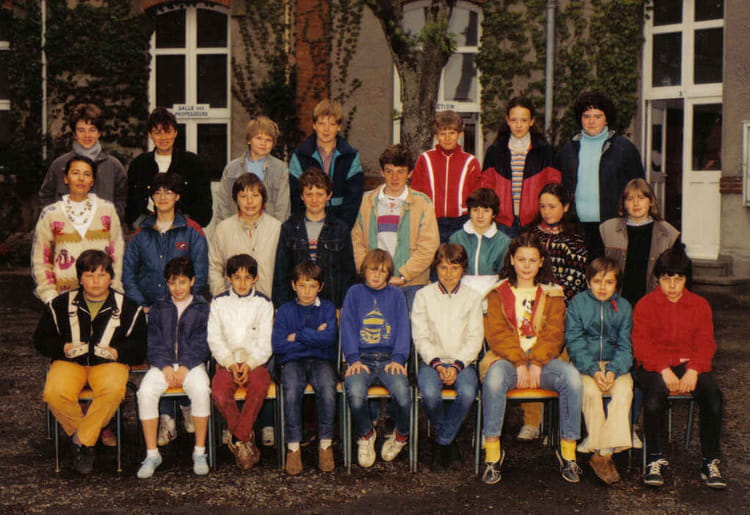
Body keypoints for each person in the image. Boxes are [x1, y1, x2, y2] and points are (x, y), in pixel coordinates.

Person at [480, 232, 583, 485]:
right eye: (522, 259)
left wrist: (536, 362)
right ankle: (492, 455)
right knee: (494, 380)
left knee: (571, 378)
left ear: (541, 262)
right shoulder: (497, 293)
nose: (526, 266)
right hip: (507, 359)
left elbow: (554, 333)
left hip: (543, 361)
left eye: (532, 260)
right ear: (512, 260)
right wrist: (519, 362)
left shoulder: (553, 294)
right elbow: (496, 334)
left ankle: (568, 452)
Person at [33, 249, 146, 474]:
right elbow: (40, 339)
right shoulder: (59, 305)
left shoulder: (130, 308)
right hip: (70, 363)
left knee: (113, 391)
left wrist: (118, 352)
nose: (96, 281)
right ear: (80, 278)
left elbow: (141, 346)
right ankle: (87, 438)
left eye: (102, 275)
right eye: (89, 275)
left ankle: (80, 441)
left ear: (111, 277)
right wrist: (62, 348)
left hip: (108, 364)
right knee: (54, 392)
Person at [632, 246, 727, 489]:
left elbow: (706, 343)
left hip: (688, 364)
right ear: (658, 278)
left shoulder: (699, 305)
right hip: (654, 365)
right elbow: (641, 345)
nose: (672, 286)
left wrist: (694, 370)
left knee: (714, 397)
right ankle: (654, 458)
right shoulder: (645, 305)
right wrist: (663, 369)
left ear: (687, 279)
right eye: (667, 279)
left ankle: (710, 461)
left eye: (679, 279)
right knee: (654, 398)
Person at [136, 257, 211, 478]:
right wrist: (165, 366)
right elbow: (153, 342)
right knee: (145, 392)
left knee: (201, 390)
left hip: (192, 364)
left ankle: (200, 451)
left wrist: (186, 366)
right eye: (172, 283)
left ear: (192, 281)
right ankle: (152, 454)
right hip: (163, 365)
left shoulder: (203, 307)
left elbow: (203, 342)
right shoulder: (159, 307)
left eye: (182, 282)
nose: (177, 288)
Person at [412, 244, 483, 470]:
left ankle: (441, 441)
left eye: (455, 268)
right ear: (436, 268)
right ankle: (449, 442)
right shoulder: (423, 296)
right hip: (432, 362)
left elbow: (475, 338)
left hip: (463, 363)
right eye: (443, 268)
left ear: (463, 269)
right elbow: (421, 336)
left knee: (468, 393)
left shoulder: (472, 297)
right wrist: (437, 364)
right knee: (430, 394)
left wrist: (458, 365)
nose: (449, 274)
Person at [341, 249, 412, 468]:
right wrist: (353, 359)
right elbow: (347, 327)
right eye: (373, 270)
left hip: (390, 359)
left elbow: (403, 329)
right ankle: (366, 434)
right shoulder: (354, 293)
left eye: (382, 271)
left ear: (389, 274)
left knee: (403, 395)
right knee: (355, 393)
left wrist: (399, 358)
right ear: (364, 270)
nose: (376, 275)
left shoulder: (396, 295)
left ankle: (401, 435)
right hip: (361, 359)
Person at [566, 257, 633, 485]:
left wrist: (613, 371)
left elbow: (625, 346)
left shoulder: (624, 307)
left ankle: (601, 453)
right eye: (597, 281)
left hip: (615, 364)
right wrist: (594, 371)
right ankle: (606, 450)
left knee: (624, 391)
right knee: (590, 391)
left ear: (617, 285)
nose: (602, 287)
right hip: (586, 364)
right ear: (588, 282)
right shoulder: (578, 304)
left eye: (609, 282)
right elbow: (575, 342)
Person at [556, 91, 644, 257]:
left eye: (597, 116)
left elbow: (638, 187)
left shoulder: (624, 148)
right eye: (586, 116)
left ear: (606, 119)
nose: (591, 121)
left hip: (613, 225)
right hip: (576, 226)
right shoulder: (568, 150)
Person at [351, 144, 439, 310]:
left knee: (408, 326)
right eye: (389, 171)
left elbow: (429, 247)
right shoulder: (366, 202)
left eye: (401, 171)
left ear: (410, 173)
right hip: (373, 283)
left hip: (411, 284)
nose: (395, 177)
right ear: (382, 172)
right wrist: (371, 273)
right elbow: (356, 242)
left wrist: (404, 275)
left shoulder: (423, 203)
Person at [208, 254, 274, 470]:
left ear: (255, 278)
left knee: (259, 386)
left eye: (247, 277)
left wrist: (250, 363)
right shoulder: (219, 303)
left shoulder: (264, 303)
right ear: (228, 278)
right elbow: (214, 339)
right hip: (227, 362)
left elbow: (266, 342)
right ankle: (246, 439)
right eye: (237, 277)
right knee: (219, 392)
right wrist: (229, 362)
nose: (242, 283)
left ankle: (237, 438)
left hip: (255, 362)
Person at [273, 261, 338, 474]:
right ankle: (293, 447)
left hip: (321, 360)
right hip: (293, 361)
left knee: (327, 387)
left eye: (312, 286)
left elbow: (329, 339)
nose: (307, 292)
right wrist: (315, 335)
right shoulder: (285, 310)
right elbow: (279, 345)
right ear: (293, 285)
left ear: (320, 287)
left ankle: (325, 444)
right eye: (302, 285)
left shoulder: (327, 308)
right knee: (291, 389)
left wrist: (298, 335)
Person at [32, 155, 124, 304]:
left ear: (92, 181)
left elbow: (117, 254)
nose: (81, 178)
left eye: (87, 174)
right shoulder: (51, 213)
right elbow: (41, 258)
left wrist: (114, 289)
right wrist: (50, 296)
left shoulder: (107, 210)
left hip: (102, 295)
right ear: (66, 178)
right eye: (75, 173)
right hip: (62, 296)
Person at [123, 172, 208, 309]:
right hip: (147, 308)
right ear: (152, 197)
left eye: (168, 192)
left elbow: (200, 274)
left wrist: (182, 303)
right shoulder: (141, 233)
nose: (162, 197)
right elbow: (128, 274)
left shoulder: (193, 231)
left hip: (183, 308)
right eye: (157, 193)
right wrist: (141, 305)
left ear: (177, 196)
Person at [273, 167, 355, 309]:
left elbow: (347, 274)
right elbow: (281, 272)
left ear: (329, 195)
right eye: (309, 194)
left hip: (330, 303)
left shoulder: (340, 229)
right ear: (302, 196)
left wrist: (342, 307)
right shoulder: (289, 228)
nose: (314, 200)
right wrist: (282, 307)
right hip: (295, 304)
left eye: (320, 194)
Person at [481, 97, 560, 237]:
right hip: (502, 223)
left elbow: (553, 187)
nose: (518, 125)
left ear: (532, 121)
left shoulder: (544, 150)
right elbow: (486, 187)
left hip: (535, 222)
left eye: (524, 120)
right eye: (514, 120)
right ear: (507, 120)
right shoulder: (495, 151)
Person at [126, 107, 212, 228]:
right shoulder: (139, 164)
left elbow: (204, 205)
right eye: (157, 132)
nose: (163, 138)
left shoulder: (193, 163)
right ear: (150, 134)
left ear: (175, 133)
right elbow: (130, 201)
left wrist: (187, 226)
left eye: (168, 132)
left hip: (184, 225)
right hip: (147, 224)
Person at [39, 103, 128, 221]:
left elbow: (123, 198)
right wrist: (55, 219)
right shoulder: (59, 165)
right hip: (66, 230)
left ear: (99, 133)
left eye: (92, 130)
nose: (87, 135)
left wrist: (110, 218)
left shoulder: (113, 166)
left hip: (102, 230)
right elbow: (45, 196)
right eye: (81, 130)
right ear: (74, 134)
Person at [600, 178, 679, 307]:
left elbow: (677, 275)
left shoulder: (669, 234)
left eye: (641, 198)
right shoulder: (607, 230)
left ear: (651, 201)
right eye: (630, 199)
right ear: (624, 203)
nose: (636, 203)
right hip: (616, 302)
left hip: (654, 303)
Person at [288, 99, 363, 229]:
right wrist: (304, 228)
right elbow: (295, 198)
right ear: (314, 125)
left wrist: (341, 230)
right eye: (321, 123)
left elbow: (353, 200)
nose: (326, 129)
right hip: (307, 225)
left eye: (332, 124)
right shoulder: (300, 156)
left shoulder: (350, 156)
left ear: (339, 127)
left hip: (341, 226)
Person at [410, 110, 481, 242]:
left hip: (462, 221)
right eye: (442, 134)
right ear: (436, 136)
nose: (447, 138)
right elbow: (416, 192)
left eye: (452, 133)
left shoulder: (470, 161)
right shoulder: (425, 159)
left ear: (460, 134)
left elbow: (476, 195)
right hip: (432, 221)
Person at [209, 173, 281, 299]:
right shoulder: (223, 229)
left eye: (255, 195)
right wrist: (222, 297)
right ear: (235, 199)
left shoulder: (277, 228)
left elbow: (284, 271)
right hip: (231, 303)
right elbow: (214, 267)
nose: (249, 201)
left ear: (263, 198)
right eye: (243, 196)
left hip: (268, 301)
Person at [215, 116, 290, 223]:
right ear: (249, 140)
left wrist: (276, 229)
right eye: (259, 138)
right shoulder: (232, 168)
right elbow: (223, 204)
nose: (263, 143)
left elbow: (283, 207)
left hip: (269, 228)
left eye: (268, 140)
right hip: (236, 226)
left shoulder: (280, 169)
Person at [530, 182, 589, 305]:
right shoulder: (531, 235)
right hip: (529, 297)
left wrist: (553, 301)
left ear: (565, 207)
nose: (546, 212)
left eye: (552, 207)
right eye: (542, 206)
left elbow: (575, 280)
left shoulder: (574, 239)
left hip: (560, 303)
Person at [449, 187, 510, 299]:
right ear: (469, 212)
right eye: (475, 210)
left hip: (492, 294)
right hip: (461, 293)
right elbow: (451, 272)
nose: (480, 215)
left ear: (494, 214)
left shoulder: (504, 242)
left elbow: (505, 277)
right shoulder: (456, 238)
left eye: (486, 211)